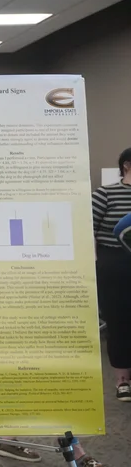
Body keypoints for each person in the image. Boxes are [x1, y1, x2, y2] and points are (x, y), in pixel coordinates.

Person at [93, 147, 131, 402]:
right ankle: (123, 381)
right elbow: (88, 231)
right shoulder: (105, 194)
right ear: (126, 165)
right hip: (116, 264)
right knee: (118, 323)